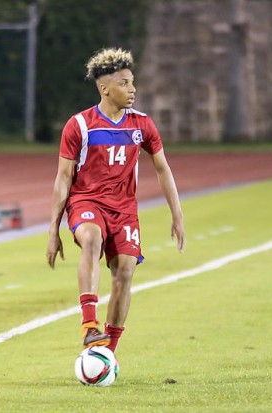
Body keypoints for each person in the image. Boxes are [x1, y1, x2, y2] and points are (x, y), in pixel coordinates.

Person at [46, 48, 185, 353]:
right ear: (104, 88)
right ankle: (89, 326)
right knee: (92, 239)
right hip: (87, 203)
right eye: (124, 83)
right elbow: (63, 178)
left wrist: (177, 214)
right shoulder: (80, 125)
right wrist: (54, 229)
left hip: (124, 211)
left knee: (124, 273)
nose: (132, 89)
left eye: (132, 82)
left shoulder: (142, 125)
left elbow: (162, 168)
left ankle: (107, 352)